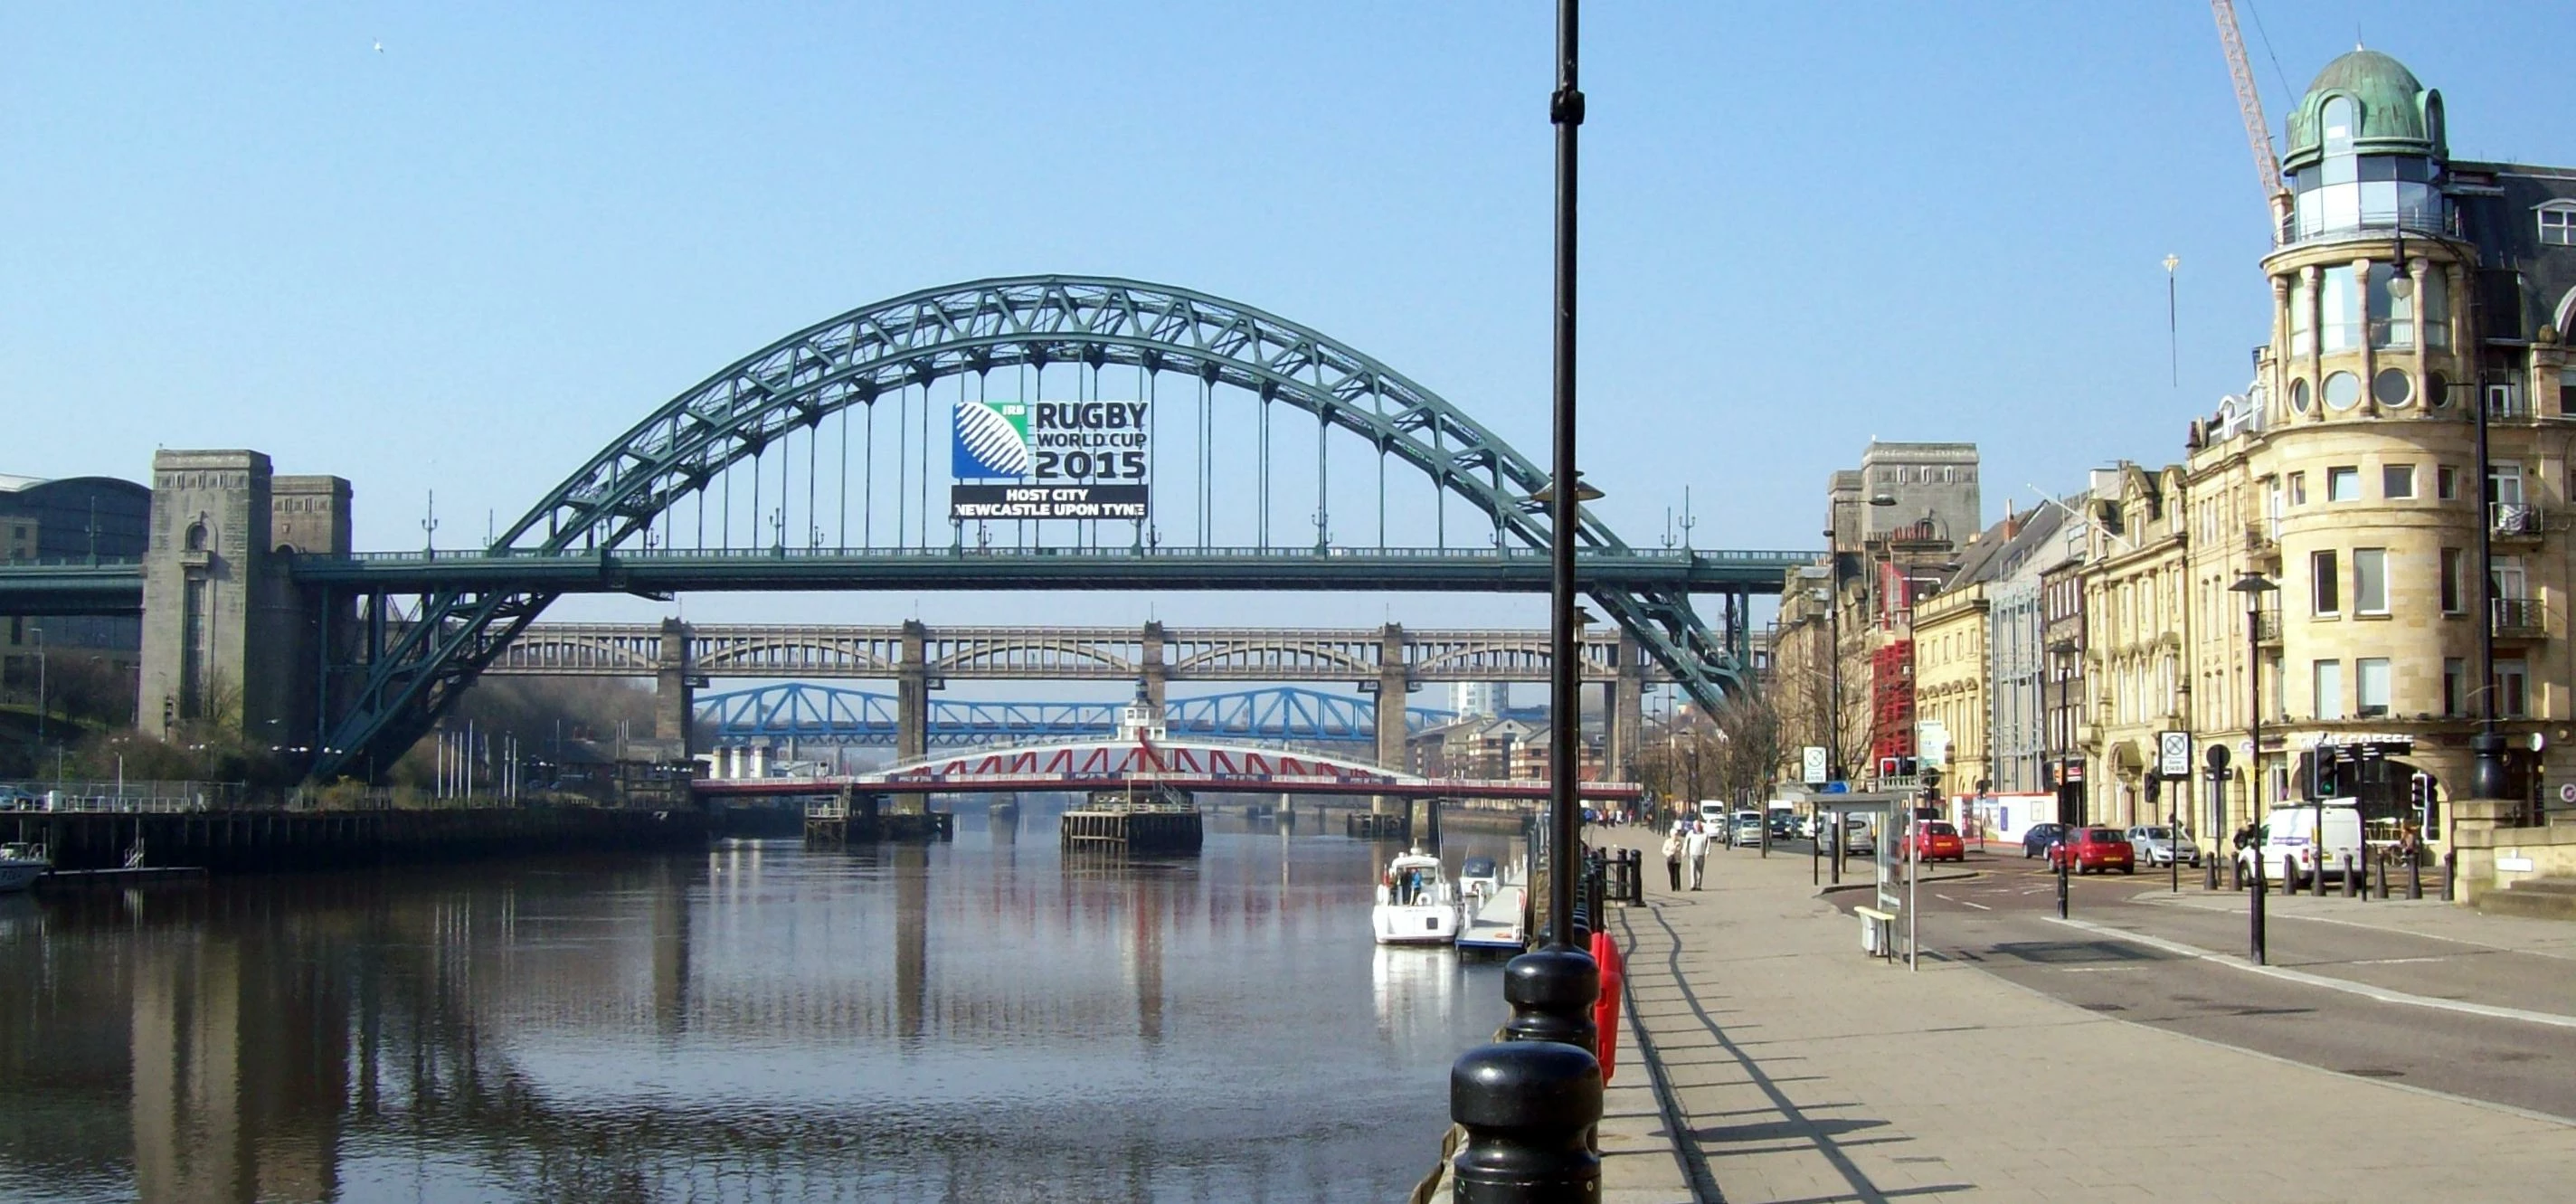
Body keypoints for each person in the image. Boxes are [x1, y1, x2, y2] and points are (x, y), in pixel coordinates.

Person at [1683, 819, 1711, 890]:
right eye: (1695, 826)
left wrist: (1707, 851)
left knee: (1700, 871)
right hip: (1692, 854)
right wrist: (1684, 851)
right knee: (1692, 869)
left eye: (1698, 825)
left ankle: (1698, 885)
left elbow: (1708, 843)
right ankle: (1693, 885)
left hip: (1701, 854)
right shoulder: (1690, 833)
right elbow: (1686, 842)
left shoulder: (1705, 834)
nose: (1697, 827)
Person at [1662, 824, 1685, 890]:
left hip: (1677, 859)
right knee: (1671, 874)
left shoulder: (1679, 842)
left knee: (1677, 873)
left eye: (1676, 834)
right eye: (1674, 834)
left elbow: (1682, 849)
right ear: (1671, 835)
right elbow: (1664, 850)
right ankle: (1673, 886)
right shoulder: (1667, 841)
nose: (1676, 836)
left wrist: (1683, 853)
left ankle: (1678, 887)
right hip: (1670, 859)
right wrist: (1669, 853)